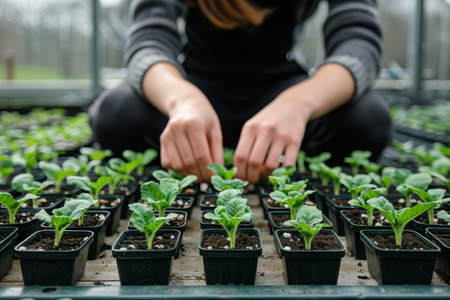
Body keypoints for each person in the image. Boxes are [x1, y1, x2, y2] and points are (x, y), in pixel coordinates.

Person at [89, 0, 392, 183]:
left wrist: (299, 103)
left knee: (367, 119)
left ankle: (273, 147)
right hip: (197, 88)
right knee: (118, 113)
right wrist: (182, 99)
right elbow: (148, 39)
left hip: (281, 89)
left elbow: (358, 43)